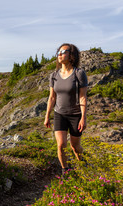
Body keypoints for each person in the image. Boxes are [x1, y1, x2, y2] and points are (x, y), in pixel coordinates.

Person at [44, 43, 88, 176]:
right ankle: (66, 171)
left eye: (63, 52)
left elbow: (82, 97)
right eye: (58, 52)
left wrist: (83, 117)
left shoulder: (79, 74)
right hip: (59, 114)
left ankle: (83, 164)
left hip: (75, 115)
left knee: (75, 147)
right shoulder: (54, 75)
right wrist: (47, 116)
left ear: (72, 55)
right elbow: (52, 98)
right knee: (61, 144)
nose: (59, 54)